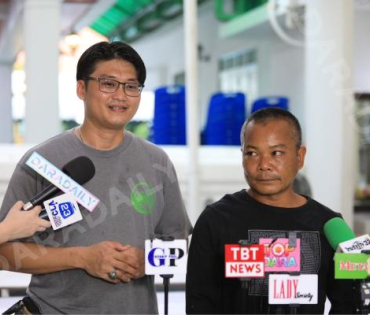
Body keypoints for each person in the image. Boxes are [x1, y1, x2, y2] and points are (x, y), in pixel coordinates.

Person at [0, 41, 192, 314]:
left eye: (131, 86)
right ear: (81, 89)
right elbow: (3, 254)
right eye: (108, 84)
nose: (121, 95)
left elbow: (177, 248)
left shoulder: (156, 162)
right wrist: (81, 257)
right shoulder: (41, 162)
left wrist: (147, 261)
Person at [186, 107, 355, 314]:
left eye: (276, 153)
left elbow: (350, 303)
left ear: (299, 156)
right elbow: (199, 304)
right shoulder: (215, 220)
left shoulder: (330, 225)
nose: (264, 165)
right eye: (252, 153)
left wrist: (361, 267)